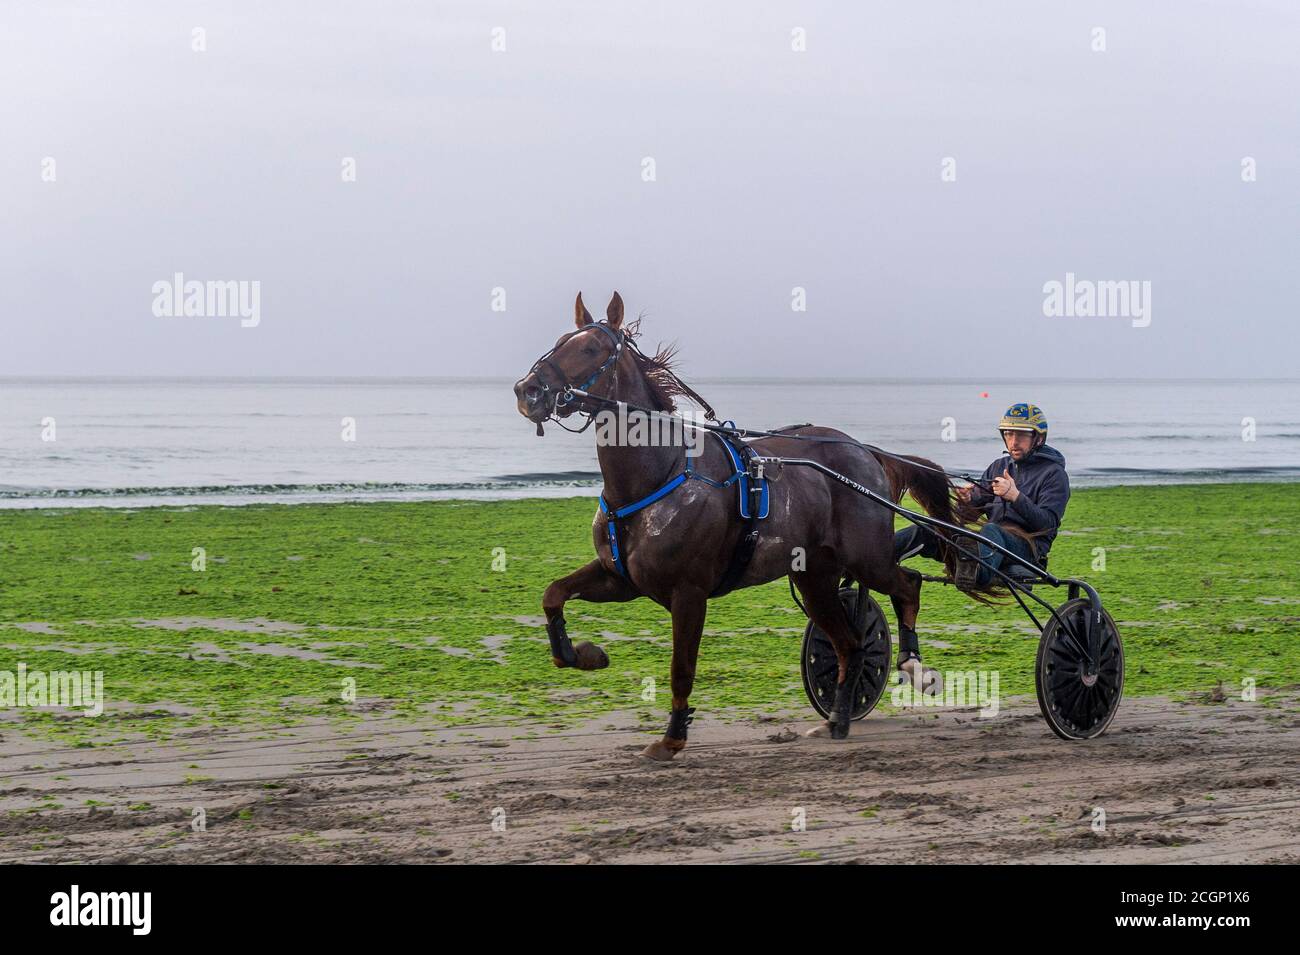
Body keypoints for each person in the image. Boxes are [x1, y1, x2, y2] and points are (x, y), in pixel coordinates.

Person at [893, 402, 1071, 672]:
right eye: (1009, 435)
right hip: (988, 545)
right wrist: (966, 501)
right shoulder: (999, 466)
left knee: (991, 532)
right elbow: (971, 514)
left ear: (1038, 438)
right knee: (928, 529)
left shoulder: (1054, 475)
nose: (1014, 441)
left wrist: (1015, 497)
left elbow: (1047, 523)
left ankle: (977, 573)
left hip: (1027, 548)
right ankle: (876, 556)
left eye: (1021, 435)